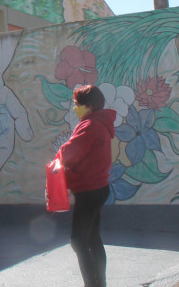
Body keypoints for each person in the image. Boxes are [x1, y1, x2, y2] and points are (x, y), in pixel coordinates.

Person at [57, 84, 116, 287]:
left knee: (78, 241)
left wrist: (58, 161)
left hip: (89, 191)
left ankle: (93, 285)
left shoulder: (89, 125)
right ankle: (100, 283)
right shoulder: (101, 123)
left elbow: (70, 152)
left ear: (88, 106)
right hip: (99, 188)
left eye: (77, 104)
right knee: (92, 239)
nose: (75, 108)